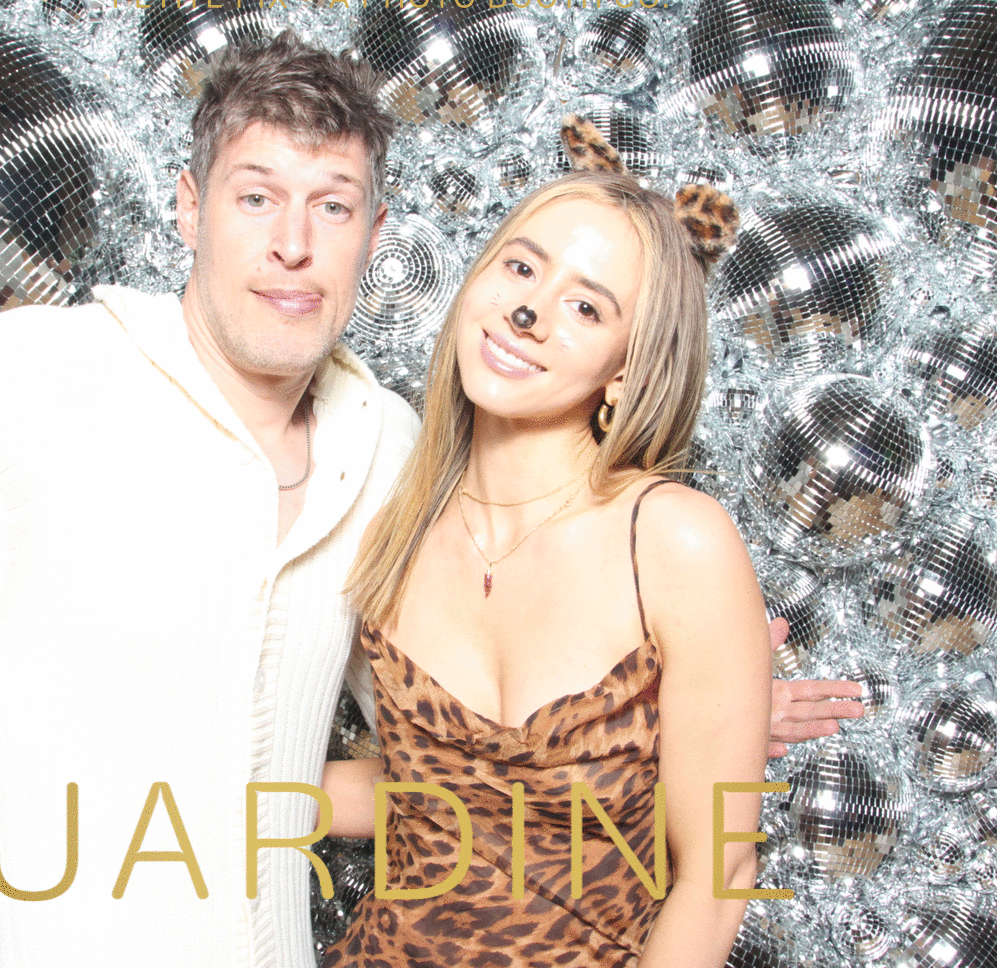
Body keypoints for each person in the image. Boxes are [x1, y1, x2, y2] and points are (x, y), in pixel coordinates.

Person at [0, 35, 857, 968]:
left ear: (374, 235)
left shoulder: (391, 458)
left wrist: (663, 732)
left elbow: (463, 778)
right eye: (254, 196)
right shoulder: (26, 377)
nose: (292, 243)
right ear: (187, 206)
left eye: (331, 206)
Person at [318, 123, 773, 966]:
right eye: (522, 269)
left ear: (626, 370)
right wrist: (218, 786)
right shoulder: (395, 527)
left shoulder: (673, 542)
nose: (528, 312)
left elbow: (720, 872)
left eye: (586, 306)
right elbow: (427, 796)